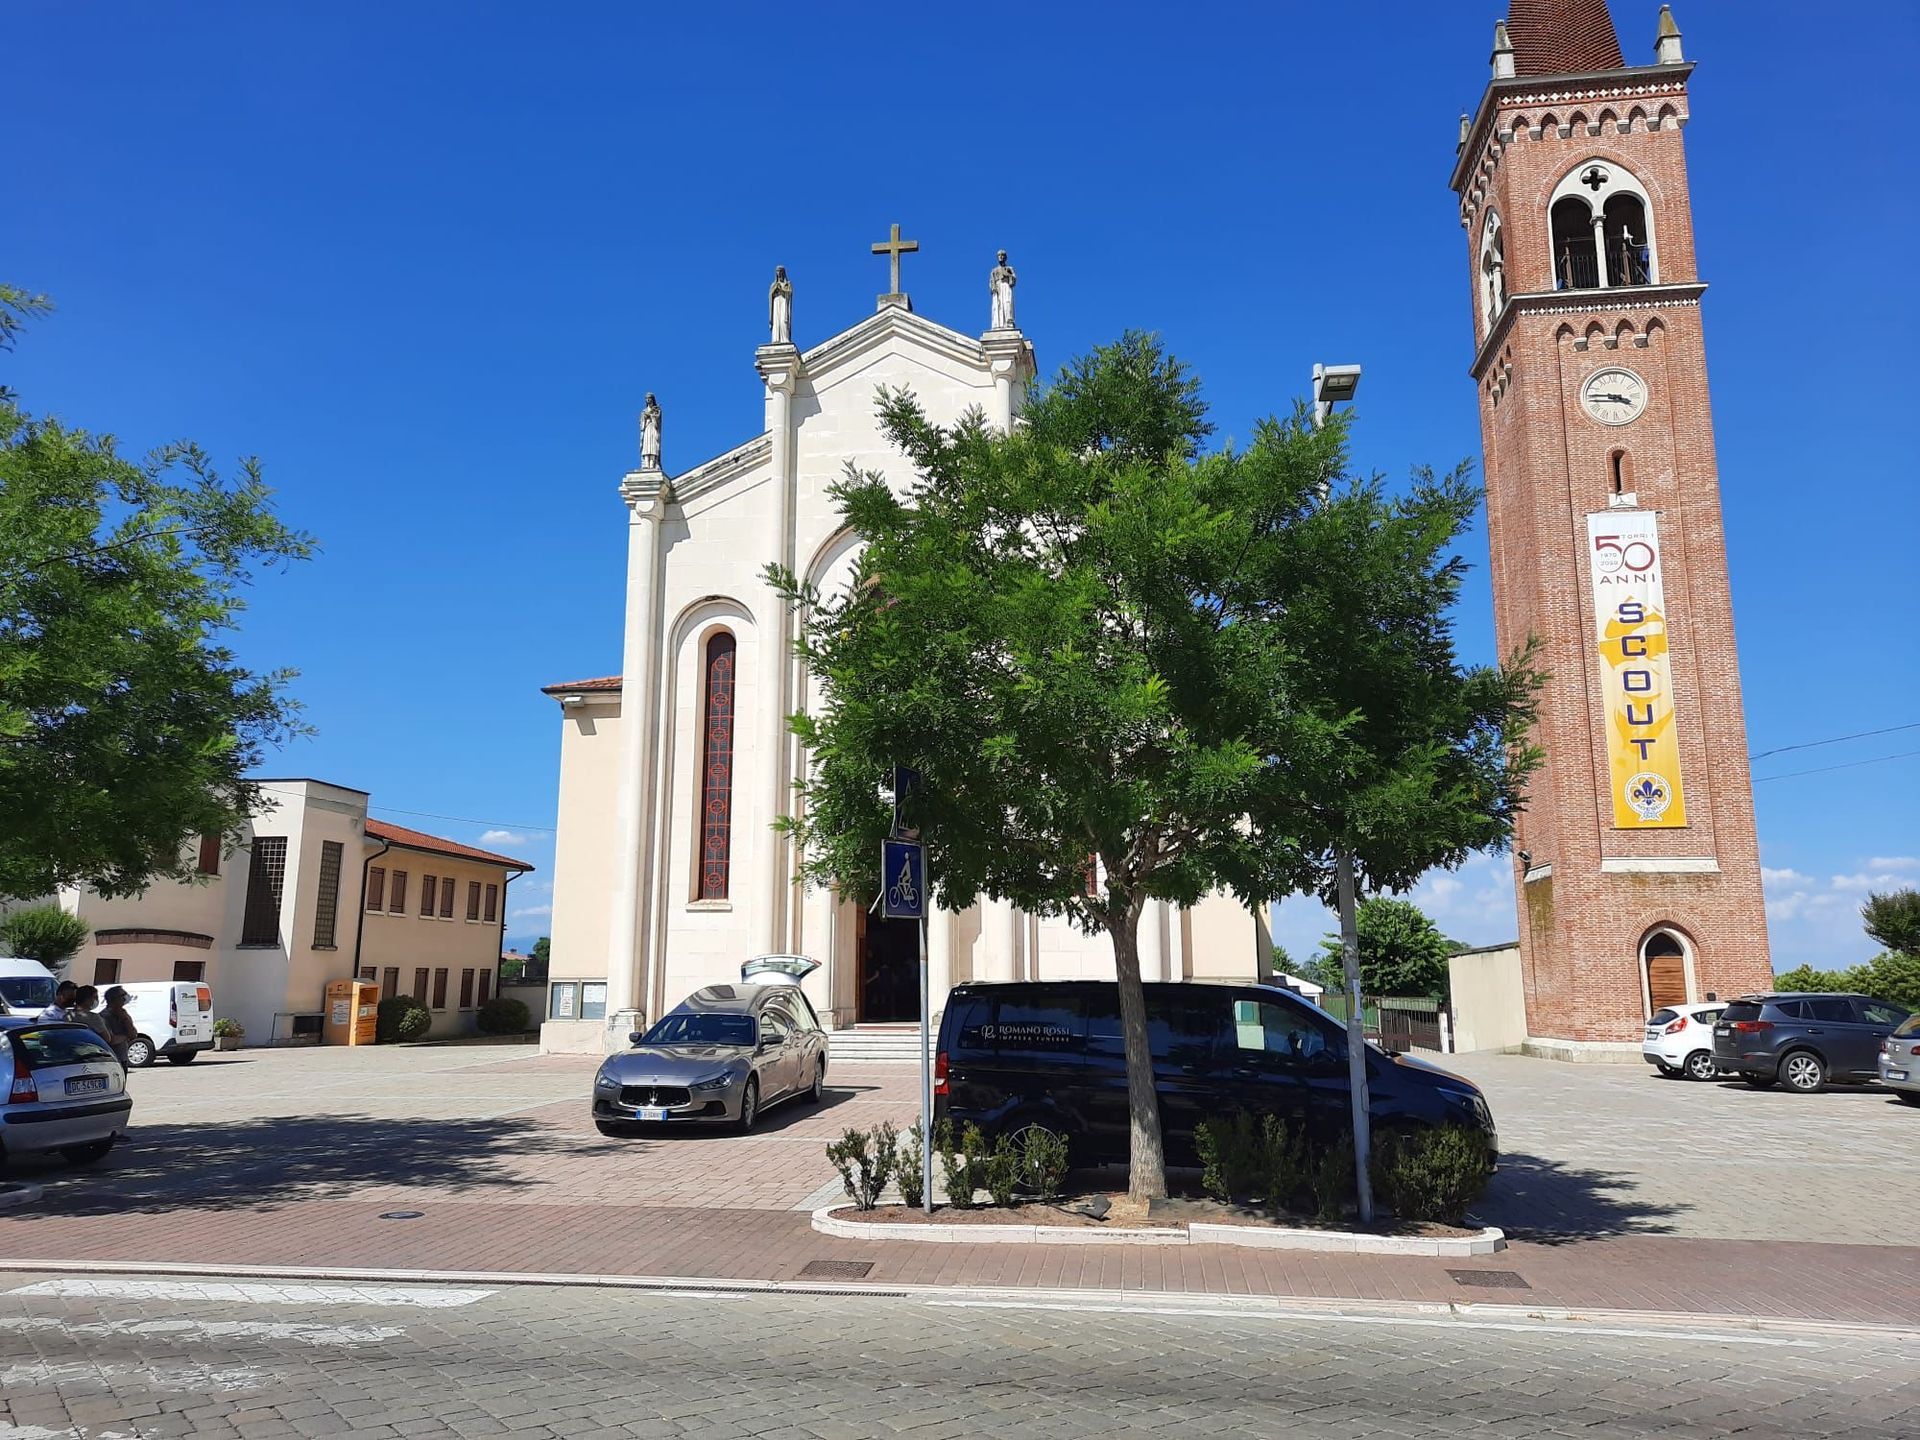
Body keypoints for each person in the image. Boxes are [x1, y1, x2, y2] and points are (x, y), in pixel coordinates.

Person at [102, 986, 137, 1066]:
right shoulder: (104, 1016)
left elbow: (133, 1034)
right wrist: (126, 1036)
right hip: (110, 1059)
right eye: (122, 996)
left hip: (122, 1058)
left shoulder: (123, 1014)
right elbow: (112, 1039)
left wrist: (125, 1019)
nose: (125, 999)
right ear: (114, 999)